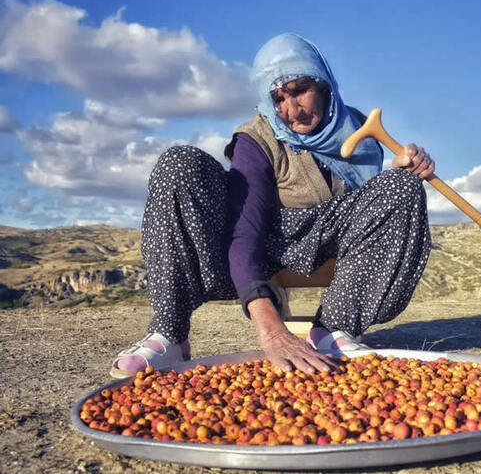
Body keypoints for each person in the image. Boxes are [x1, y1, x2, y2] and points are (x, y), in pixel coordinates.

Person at [110, 33, 435, 377]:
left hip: (328, 238)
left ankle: (332, 331)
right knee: (179, 164)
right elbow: (244, 231)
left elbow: (367, 210)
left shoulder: (357, 129)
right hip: (260, 244)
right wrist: (271, 330)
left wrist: (401, 175)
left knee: (401, 186)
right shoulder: (257, 138)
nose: (291, 110)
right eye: (278, 98)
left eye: (299, 90)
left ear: (324, 83)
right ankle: (170, 335)